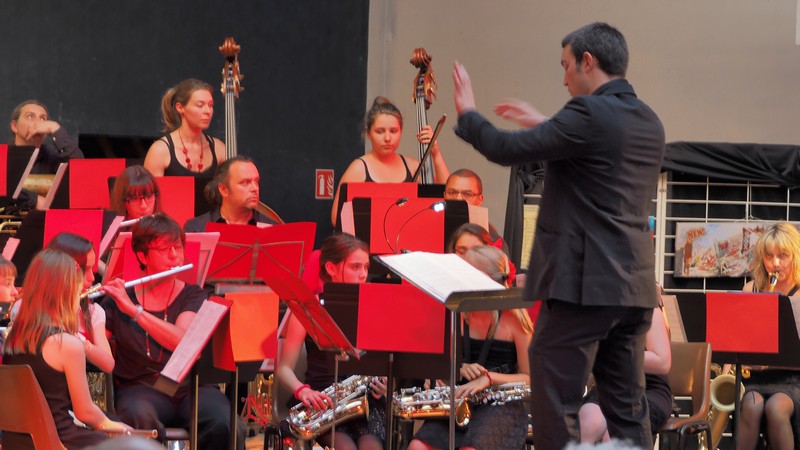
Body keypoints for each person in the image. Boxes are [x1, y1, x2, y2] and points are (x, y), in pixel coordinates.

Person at [452, 22, 665, 449]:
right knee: (627, 409)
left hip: (583, 287)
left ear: (588, 61)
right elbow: (596, 157)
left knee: (554, 399)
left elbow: (505, 149)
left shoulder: (587, 113)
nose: (564, 77)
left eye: (566, 65)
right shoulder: (648, 120)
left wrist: (468, 114)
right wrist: (544, 123)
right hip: (633, 289)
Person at [100, 214, 243, 450]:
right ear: (142, 256)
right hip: (140, 389)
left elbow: (182, 341)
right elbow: (95, 343)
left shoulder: (193, 295)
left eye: (178, 247)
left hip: (192, 388)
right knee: (138, 421)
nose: (175, 256)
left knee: (226, 423)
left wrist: (135, 312)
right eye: (164, 249)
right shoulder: (118, 300)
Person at [408, 245, 533, 450]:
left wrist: (489, 378)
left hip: (501, 404)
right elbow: (440, 364)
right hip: (460, 399)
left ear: (487, 280)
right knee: (418, 446)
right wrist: (456, 369)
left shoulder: (515, 318)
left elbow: (530, 378)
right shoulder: (456, 312)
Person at [2, 249, 129, 450]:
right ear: (66, 291)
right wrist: (123, 430)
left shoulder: (13, 337)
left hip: (17, 442)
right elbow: (85, 412)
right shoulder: (67, 344)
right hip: (58, 441)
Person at [276, 233, 386, 450]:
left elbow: (385, 362)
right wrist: (302, 391)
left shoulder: (374, 307)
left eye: (366, 267)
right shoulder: (308, 309)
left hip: (365, 399)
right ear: (331, 268)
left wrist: (385, 384)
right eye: (355, 267)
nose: (363, 274)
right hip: (322, 401)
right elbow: (283, 369)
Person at [330, 96, 450, 227]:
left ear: (401, 132)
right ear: (369, 133)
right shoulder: (358, 168)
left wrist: (435, 152)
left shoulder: (412, 166)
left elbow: (449, 194)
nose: (387, 138)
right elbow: (337, 218)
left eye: (393, 131)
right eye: (380, 131)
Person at [737, 222, 800, 450]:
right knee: (751, 406)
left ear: (795, 256)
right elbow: (738, 338)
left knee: (776, 408)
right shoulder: (750, 290)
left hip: (793, 380)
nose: (775, 263)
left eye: (783, 255)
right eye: (769, 256)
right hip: (755, 379)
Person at [579, 301, 672, 444]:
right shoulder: (599, 310)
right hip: (609, 387)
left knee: (615, 438)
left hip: (649, 391)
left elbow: (662, 363)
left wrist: (615, 354)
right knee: (587, 424)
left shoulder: (649, 310)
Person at [143, 79, 226, 177]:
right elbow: (149, 187)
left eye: (210, 105)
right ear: (180, 108)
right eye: (200, 105)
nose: (208, 111)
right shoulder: (160, 150)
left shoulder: (219, 149)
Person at [184, 155, 276, 231]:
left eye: (256, 181)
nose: (255, 188)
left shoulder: (272, 229)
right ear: (223, 189)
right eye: (245, 182)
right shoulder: (196, 228)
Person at [9, 100, 84, 174]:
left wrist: (55, 128)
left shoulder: (52, 156)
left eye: (43, 118)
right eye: (30, 116)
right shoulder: (4, 156)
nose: (38, 122)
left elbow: (80, 169)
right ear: (15, 126)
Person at [444, 169, 506, 251]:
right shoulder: (432, 229)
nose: (458, 199)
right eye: (452, 192)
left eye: (467, 194)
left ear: (480, 200)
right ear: (444, 196)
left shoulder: (493, 239)